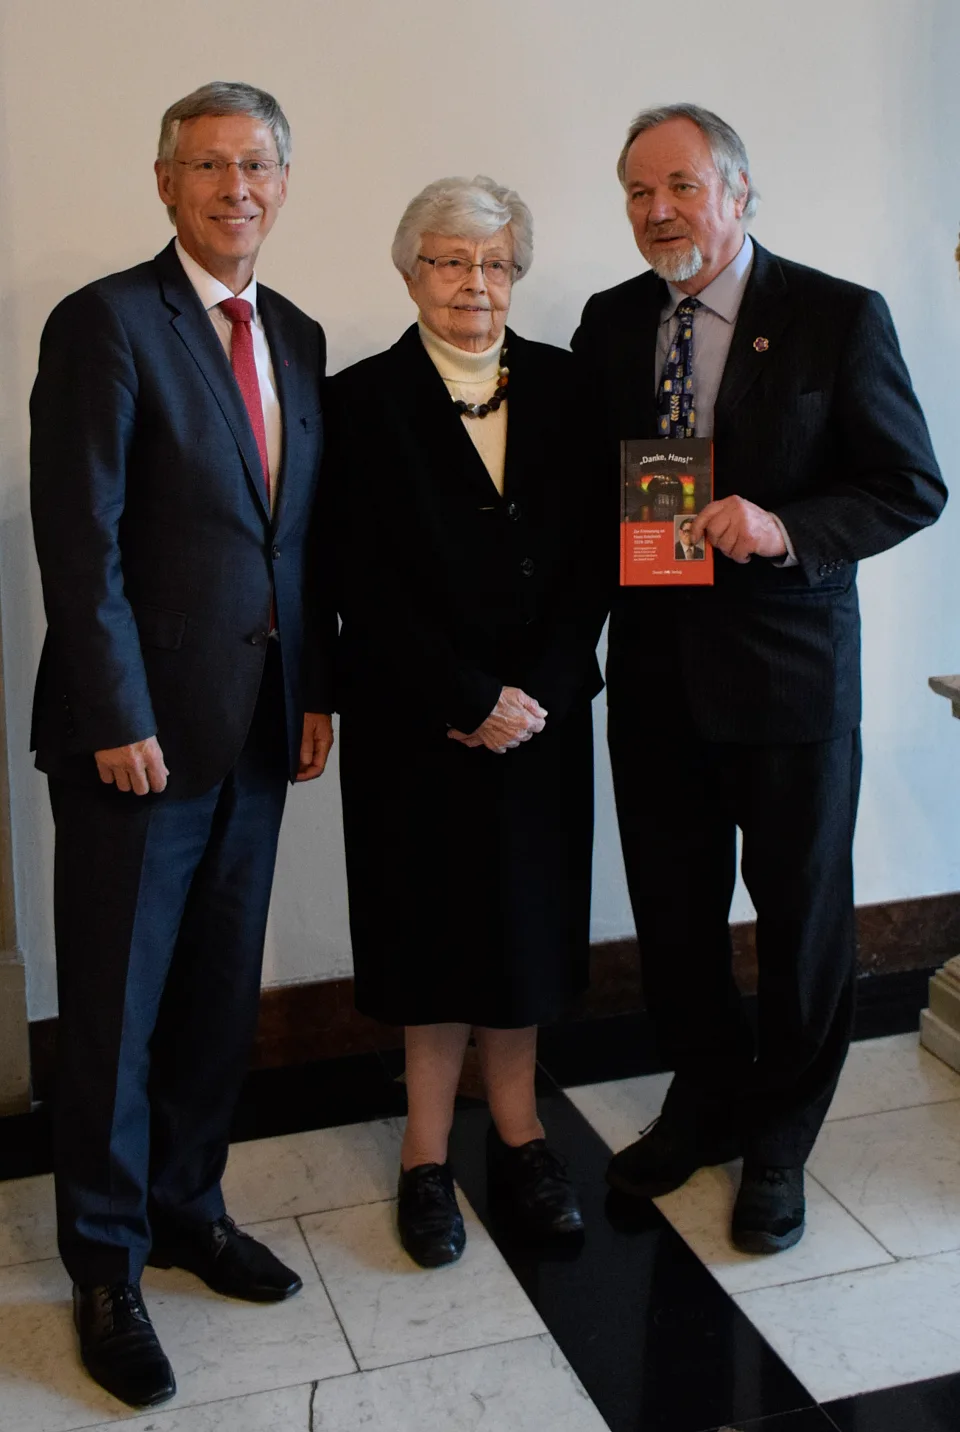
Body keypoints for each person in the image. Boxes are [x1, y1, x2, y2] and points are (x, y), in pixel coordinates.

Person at [572, 103, 945, 1254]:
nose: (657, 211)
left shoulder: (835, 316)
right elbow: (591, 490)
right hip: (652, 677)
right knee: (674, 913)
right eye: (637, 192)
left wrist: (785, 527)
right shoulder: (611, 321)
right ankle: (704, 1093)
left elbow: (908, 486)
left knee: (800, 916)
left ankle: (780, 1133)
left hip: (789, 679)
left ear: (738, 193)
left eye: (680, 186)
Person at [29, 81, 335, 1408]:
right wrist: (116, 714)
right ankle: (106, 1264)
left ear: (283, 180)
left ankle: (190, 1210)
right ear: (164, 183)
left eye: (257, 163)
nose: (236, 187)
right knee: (112, 1015)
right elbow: (78, 540)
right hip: (137, 746)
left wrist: (316, 687)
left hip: (260, 738)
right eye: (207, 165)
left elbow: (297, 544)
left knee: (216, 1000)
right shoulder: (106, 323)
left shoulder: (304, 336)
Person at [328, 175, 609, 1269]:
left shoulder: (575, 390)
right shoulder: (355, 401)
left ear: (518, 275)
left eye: (494, 262)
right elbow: (355, 573)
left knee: (526, 926)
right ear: (409, 273)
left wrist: (531, 692)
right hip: (419, 721)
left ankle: (526, 1137)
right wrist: (464, 696)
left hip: (541, 715)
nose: (473, 283)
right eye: (449, 260)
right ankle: (426, 1152)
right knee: (429, 928)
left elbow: (596, 563)